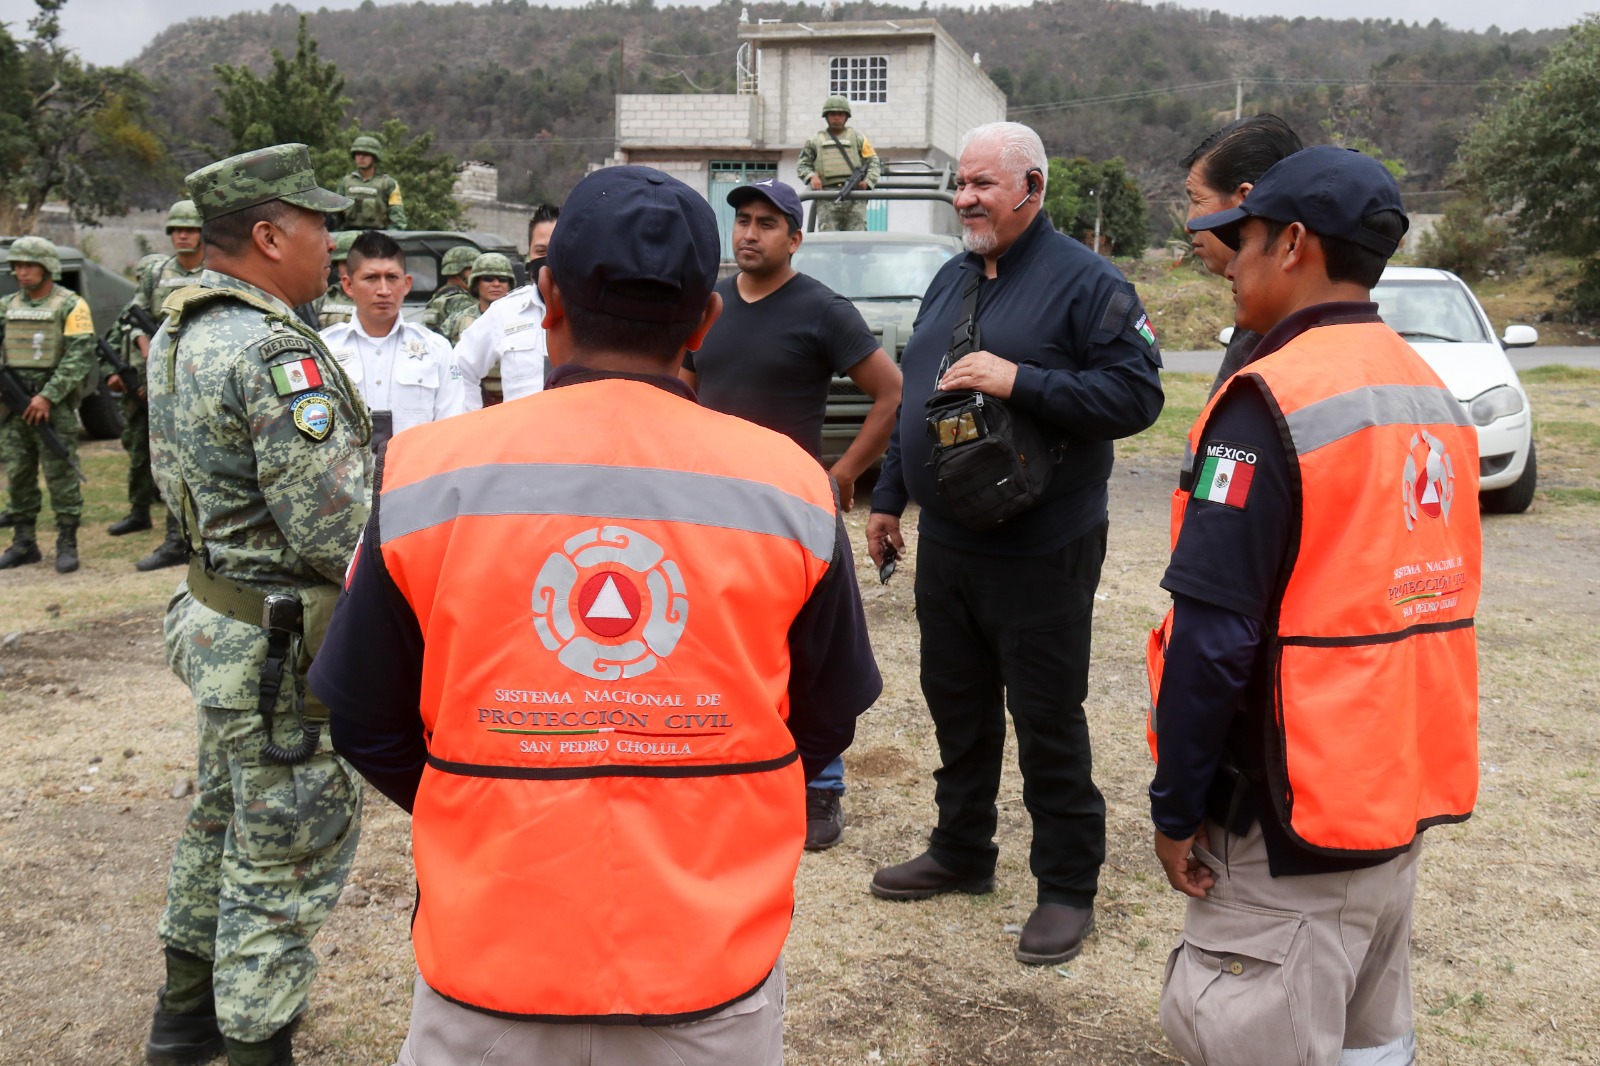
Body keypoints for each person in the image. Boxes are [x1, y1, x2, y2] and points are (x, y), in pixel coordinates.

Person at [310, 164, 882, 1065]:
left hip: (487, 963)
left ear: (546, 301)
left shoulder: (425, 474)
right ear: (708, 317)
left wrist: (483, 804)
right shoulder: (790, 487)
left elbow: (362, 714)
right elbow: (826, 715)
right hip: (707, 973)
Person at [1149, 145, 1481, 1066]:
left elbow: (1213, 638)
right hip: (1390, 795)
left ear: (1291, 242)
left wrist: (1176, 809)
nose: (1231, 264)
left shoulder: (1268, 400)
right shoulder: (1430, 392)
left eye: (1243, 239)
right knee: (1372, 1044)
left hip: (1286, 811)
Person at [865, 121, 1164, 965]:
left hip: (1044, 545)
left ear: (1032, 186)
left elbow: (1137, 396)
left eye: (983, 185)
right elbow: (919, 396)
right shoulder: (949, 280)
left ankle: (1068, 885)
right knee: (957, 709)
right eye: (959, 184)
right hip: (951, 544)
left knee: (1044, 718)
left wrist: (1021, 380)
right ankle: (962, 851)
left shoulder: (1088, 283)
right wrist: (890, 496)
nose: (965, 198)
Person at [143, 143, 371, 1066]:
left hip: (224, 623)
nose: (333, 241)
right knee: (283, 858)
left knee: (219, 825)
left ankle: (185, 1019)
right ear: (271, 236)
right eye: (320, 224)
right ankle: (252, 1045)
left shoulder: (184, 327)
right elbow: (335, 528)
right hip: (282, 648)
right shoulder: (277, 350)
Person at [681, 176, 901, 850]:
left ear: (794, 237)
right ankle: (730, 764)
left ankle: (822, 786)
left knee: (807, 649)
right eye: (742, 220)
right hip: (714, 509)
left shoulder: (821, 310)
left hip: (790, 511)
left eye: (766, 223)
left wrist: (842, 473)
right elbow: (686, 383)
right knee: (718, 644)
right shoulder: (709, 302)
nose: (749, 233)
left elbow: (890, 391)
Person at [1179, 115, 1303, 396]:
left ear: (1246, 199)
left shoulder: (1274, 323)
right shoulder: (1264, 311)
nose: (1188, 225)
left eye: (1197, 200)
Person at [116, 199, 209, 571]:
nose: (181, 235)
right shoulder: (157, 273)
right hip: (163, 379)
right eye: (175, 230)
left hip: (203, 375)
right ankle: (175, 539)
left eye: (189, 229)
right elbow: (133, 316)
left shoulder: (215, 271)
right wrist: (147, 347)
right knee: (169, 458)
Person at [0, 236, 97, 574]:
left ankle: (66, 543)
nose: (22, 272)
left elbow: (80, 355)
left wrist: (47, 396)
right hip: (13, 406)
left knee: (60, 473)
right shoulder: (6, 305)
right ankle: (24, 542)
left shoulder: (71, 305)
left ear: (47, 268)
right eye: (18, 265)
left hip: (52, 406)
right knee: (19, 473)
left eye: (30, 265)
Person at [319, 229, 465, 452]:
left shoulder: (436, 349)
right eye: (371, 278)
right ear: (348, 285)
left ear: (406, 284)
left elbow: (453, 428)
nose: (384, 290)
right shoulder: (324, 349)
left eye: (392, 278)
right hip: (348, 482)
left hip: (416, 481)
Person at [451, 204, 559, 409]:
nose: (549, 258)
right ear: (529, 254)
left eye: (556, 248)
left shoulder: (595, 309)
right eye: (541, 251)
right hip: (521, 437)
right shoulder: (506, 312)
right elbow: (460, 366)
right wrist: (473, 422)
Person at [797, 96, 882, 232]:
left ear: (846, 116)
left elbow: (873, 161)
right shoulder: (815, 141)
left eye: (840, 114)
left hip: (855, 196)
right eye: (833, 114)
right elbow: (802, 164)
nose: (836, 117)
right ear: (826, 116)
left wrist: (868, 181)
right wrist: (812, 176)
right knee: (828, 241)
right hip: (826, 196)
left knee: (857, 239)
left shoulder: (858, 138)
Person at [439, 251, 514, 347]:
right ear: (476, 284)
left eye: (503, 279)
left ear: (509, 285)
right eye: (488, 279)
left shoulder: (520, 318)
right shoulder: (458, 320)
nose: (496, 284)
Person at [334, 135, 407, 230]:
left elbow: (397, 218)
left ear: (375, 157)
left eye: (366, 154)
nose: (361, 157)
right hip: (349, 236)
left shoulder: (388, 183)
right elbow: (335, 215)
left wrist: (389, 238)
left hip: (377, 236)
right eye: (358, 154)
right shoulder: (345, 182)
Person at [420, 244, 478, 333]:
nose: (477, 275)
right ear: (458, 271)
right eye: (473, 270)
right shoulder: (460, 301)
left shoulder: (441, 295)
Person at [313, 231, 358, 329]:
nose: (351, 267)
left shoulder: (382, 299)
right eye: (345, 263)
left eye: (356, 262)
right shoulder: (323, 298)